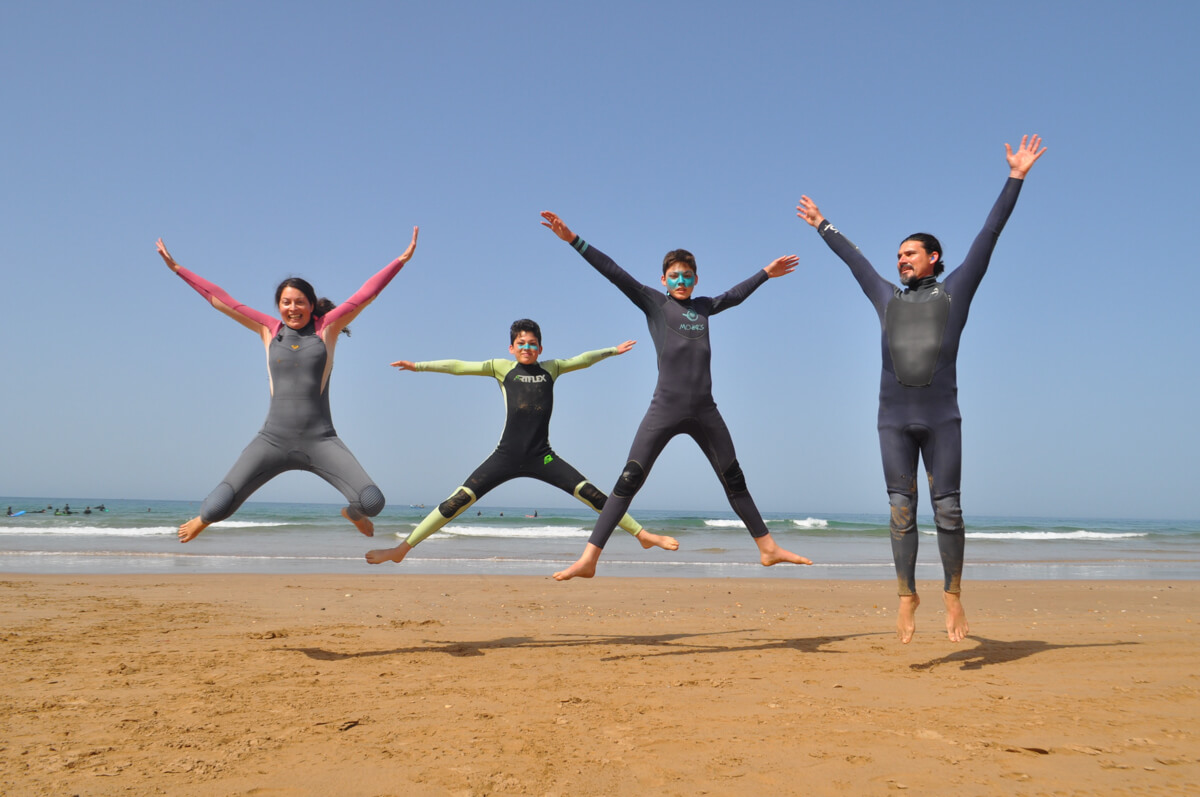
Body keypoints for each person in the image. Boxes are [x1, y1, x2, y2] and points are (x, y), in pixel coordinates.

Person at [796, 135, 1047, 643]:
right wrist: (823, 224)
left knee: (949, 509)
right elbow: (855, 260)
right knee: (900, 509)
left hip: (941, 419)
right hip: (892, 419)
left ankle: (952, 596)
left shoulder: (957, 289)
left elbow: (989, 233)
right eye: (898, 254)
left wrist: (1016, 176)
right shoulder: (885, 297)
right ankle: (906, 594)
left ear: (934, 257)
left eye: (910, 253)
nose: (900, 259)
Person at [540, 212, 813, 580]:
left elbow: (734, 295)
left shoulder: (703, 307)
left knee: (734, 479)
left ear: (696, 279)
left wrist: (766, 272)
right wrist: (574, 239)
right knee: (628, 480)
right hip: (664, 409)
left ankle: (767, 547)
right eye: (674, 276)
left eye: (687, 276)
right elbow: (615, 272)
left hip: (705, 411)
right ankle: (589, 558)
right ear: (663, 280)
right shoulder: (655, 303)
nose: (681, 281)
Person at [156, 227, 419, 543]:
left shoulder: (328, 328)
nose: (292, 308)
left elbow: (366, 294)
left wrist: (400, 260)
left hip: (321, 440)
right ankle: (205, 519)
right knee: (215, 507)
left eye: (299, 302)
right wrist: (178, 269)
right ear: (278, 305)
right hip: (272, 440)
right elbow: (221, 299)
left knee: (372, 502)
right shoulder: (267, 329)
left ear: (311, 304)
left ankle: (352, 514)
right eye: (285, 302)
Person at [366, 319, 678, 565]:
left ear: (540, 348)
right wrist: (418, 366)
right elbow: (459, 367)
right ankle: (401, 549)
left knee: (594, 495)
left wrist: (611, 350)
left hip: (542, 456)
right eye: (521, 344)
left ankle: (643, 534)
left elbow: (582, 360)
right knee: (456, 502)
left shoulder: (551, 369)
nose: (527, 347)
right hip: (505, 455)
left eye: (532, 344)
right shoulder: (501, 368)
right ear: (512, 348)